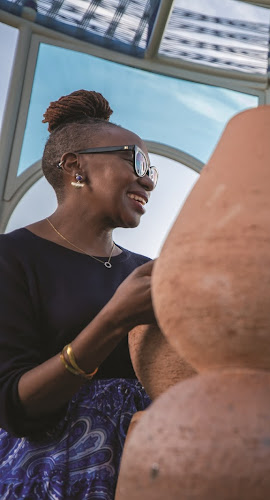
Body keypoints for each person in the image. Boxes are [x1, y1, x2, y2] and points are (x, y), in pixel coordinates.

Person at [0, 90, 158, 498]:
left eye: (152, 169)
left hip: (151, 477)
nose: (148, 180)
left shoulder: (149, 272)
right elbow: (15, 407)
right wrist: (113, 320)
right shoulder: (12, 257)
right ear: (76, 167)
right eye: (136, 160)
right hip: (47, 482)